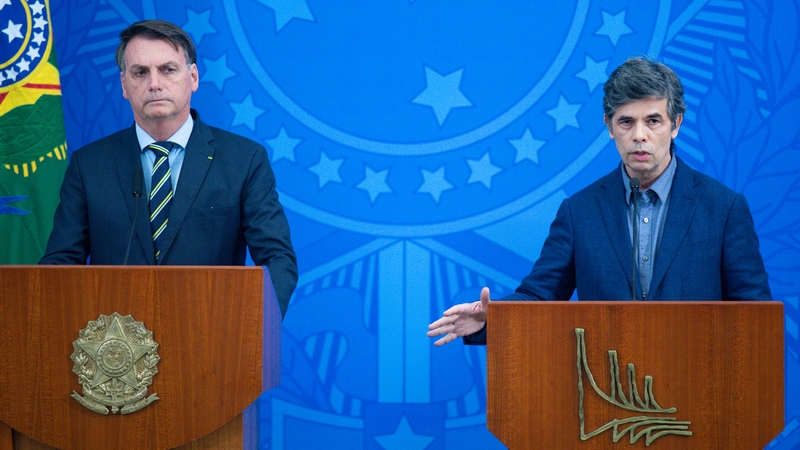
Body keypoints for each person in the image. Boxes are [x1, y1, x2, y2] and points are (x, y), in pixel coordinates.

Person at [427, 57, 771, 346]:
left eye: (653, 120)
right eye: (626, 121)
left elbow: (754, 316)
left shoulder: (724, 208)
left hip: (702, 391)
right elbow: (539, 296)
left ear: (676, 124)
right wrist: (492, 319)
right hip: (607, 397)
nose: (639, 135)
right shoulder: (580, 212)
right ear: (609, 126)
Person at [40, 20, 297, 316]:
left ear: (193, 77)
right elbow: (59, 266)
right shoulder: (90, 165)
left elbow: (278, 260)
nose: (154, 83)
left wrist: (248, 329)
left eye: (168, 69)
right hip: (115, 348)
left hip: (213, 341)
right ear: (124, 84)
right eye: (140, 72)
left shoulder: (243, 159)